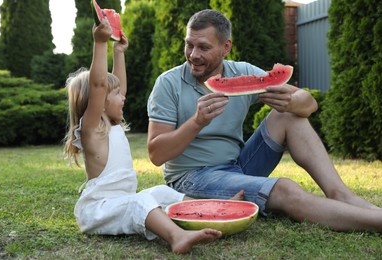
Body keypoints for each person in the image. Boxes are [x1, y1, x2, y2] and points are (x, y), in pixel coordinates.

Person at [147, 9, 382, 233]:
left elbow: (309, 103)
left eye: (203, 47)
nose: (193, 55)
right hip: (191, 178)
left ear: (225, 47)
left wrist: (291, 103)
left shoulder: (241, 71)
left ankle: (340, 194)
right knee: (285, 188)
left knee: (288, 115)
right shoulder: (168, 84)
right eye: (189, 44)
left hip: (238, 165)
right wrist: (196, 122)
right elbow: (156, 155)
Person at [63, 18, 244, 254]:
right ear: (99, 103)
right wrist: (100, 43)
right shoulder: (92, 131)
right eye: (116, 95)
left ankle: (216, 209)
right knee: (141, 201)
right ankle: (177, 237)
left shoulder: (112, 124)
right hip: (100, 210)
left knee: (161, 192)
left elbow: (116, 86)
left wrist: (119, 53)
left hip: (121, 202)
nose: (124, 97)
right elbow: (99, 86)